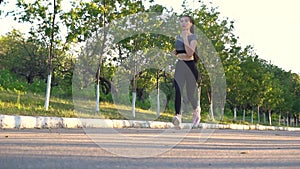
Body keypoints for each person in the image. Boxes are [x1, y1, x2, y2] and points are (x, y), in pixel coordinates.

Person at [172, 15, 200, 129]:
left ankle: (196, 110)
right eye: (181, 21)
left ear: (191, 24)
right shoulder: (178, 37)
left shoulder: (193, 37)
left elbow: (189, 53)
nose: (183, 23)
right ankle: (178, 116)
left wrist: (184, 38)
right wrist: (174, 53)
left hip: (190, 67)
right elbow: (177, 51)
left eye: (186, 21)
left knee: (189, 95)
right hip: (180, 65)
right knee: (178, 89)